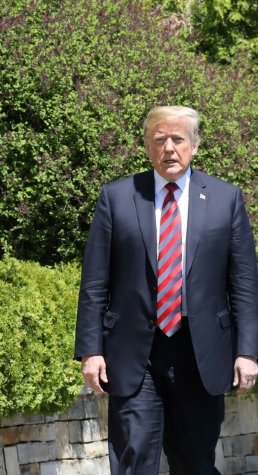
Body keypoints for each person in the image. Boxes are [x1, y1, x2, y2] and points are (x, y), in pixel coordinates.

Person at [74, 105, 258, 474]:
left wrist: (247, 351)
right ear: (147, 146)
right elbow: (95, 281)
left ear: (195, 145)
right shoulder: (117, 197)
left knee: (195, 463)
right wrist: (90, 351)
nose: (169, 148)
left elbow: (244, 284)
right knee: (134, 460)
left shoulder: (225, 198)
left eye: (178, 139)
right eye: (160, 140)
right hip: (133, 354)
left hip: (201, 352)